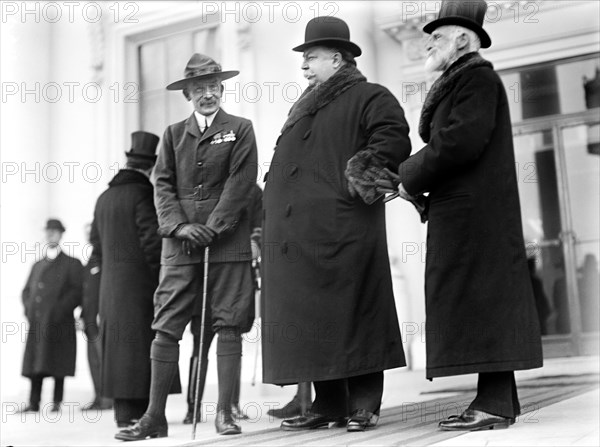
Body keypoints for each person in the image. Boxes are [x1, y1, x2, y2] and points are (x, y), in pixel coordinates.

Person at [376, 0, 543, 431]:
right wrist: (411, 179)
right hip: (469, 214)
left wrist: (408, 174)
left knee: (483, 304)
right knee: (482, 305)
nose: (428, 42)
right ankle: (496, 401)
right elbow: (453, 144)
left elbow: (459, 142)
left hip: (476, 218)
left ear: (463, 39)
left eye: (437, 37)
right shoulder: (465, 79)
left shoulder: (477, 79)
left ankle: (493, 404)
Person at [261, 16, 410, 433]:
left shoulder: (369, 96)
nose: (304, 66)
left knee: (356, 313)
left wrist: (356, 182)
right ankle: (328, 405)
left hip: (344, 229)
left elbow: (393, 138)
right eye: (303, 59)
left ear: (338, 58)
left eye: (311, 58)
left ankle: (364, 405)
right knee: (315, 322)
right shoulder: (304, 107)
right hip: (298, 237)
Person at [116, 53, 258, 441]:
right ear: (188, 95)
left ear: (222, 89)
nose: (207, 95)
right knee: (166, 325)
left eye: (213, 87)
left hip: (228, 244)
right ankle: (154, 417)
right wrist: (180, 226)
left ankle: (225, 413)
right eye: (199, 90)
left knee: (228, 323)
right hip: (180, 247)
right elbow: (161, 184)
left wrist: (213, 226)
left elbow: (243, 180)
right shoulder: (173, 134)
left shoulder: (241, 129)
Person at [90, 131, 174, 428]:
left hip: (109, 289)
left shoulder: (103, 198)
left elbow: (95, 246)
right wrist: (160, 278)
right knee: (139, 348)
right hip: (139, 287)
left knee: (117, 347)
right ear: (149, 168)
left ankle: (122, 413)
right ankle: (141, 411)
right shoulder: (143, 195)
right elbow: (152, 243)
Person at [182, 183, 262, 425]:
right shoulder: (202, 187)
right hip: (203, 276)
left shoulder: (252, 191)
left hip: (237, 275)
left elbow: (260, 225)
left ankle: (230, 406)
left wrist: (255, 243)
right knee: (200, 346)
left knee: (231, 338)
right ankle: (193, 408)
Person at [20, 219, 83, 412]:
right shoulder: (38, 264)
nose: (51, 235)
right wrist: (30, 310)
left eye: (55, 232)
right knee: (36, 363)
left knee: (58, 361)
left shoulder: (72, 263)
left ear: (61, 235)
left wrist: (59, 310)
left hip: (59, 322)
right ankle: (33, 402)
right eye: (48, 232)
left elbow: (76, 292)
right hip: (38, 322)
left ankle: (56, 402)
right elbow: (26, 291)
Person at [80, 223, 112, 411]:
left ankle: (108, 399)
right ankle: (99, 397)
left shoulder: (106, 259)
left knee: (104, 360)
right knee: (93, 361)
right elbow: (87, 293)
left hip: (102, 319)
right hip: (90, 321)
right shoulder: (91, 260)